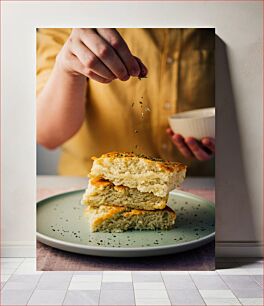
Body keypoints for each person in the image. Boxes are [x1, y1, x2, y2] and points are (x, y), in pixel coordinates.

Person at [37, 28, 215, 176]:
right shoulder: (66, 14)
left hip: (195, 184)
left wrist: (227, 138)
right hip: (90, 183)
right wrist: (67, 69)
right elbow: (47, 136)